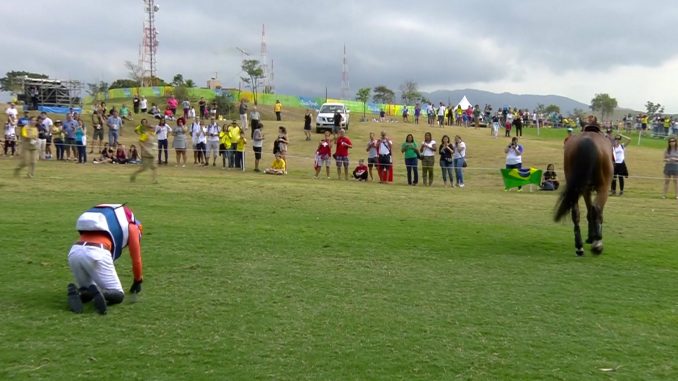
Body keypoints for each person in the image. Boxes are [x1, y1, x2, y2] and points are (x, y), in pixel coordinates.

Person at [66, 204, 144, 315]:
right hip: (97, 252)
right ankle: (100, 292)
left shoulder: (108, 219)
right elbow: (136, 259)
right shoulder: (133, 227)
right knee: (118, 295)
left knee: (87, 289)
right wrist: (138, 280)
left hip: (75, 252)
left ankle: (79, 293)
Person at [130, 118, 158, 183]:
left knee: (154, 167)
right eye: (151, 128)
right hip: (146, 154)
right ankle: (134, 175)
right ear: (149, 129)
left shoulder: (153, 135)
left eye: (153, 128)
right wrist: (145, 148)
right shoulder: (145, 135)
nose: (153, 129)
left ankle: (154, 180)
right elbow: (140, 142)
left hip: (152, 153)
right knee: (143, 169)